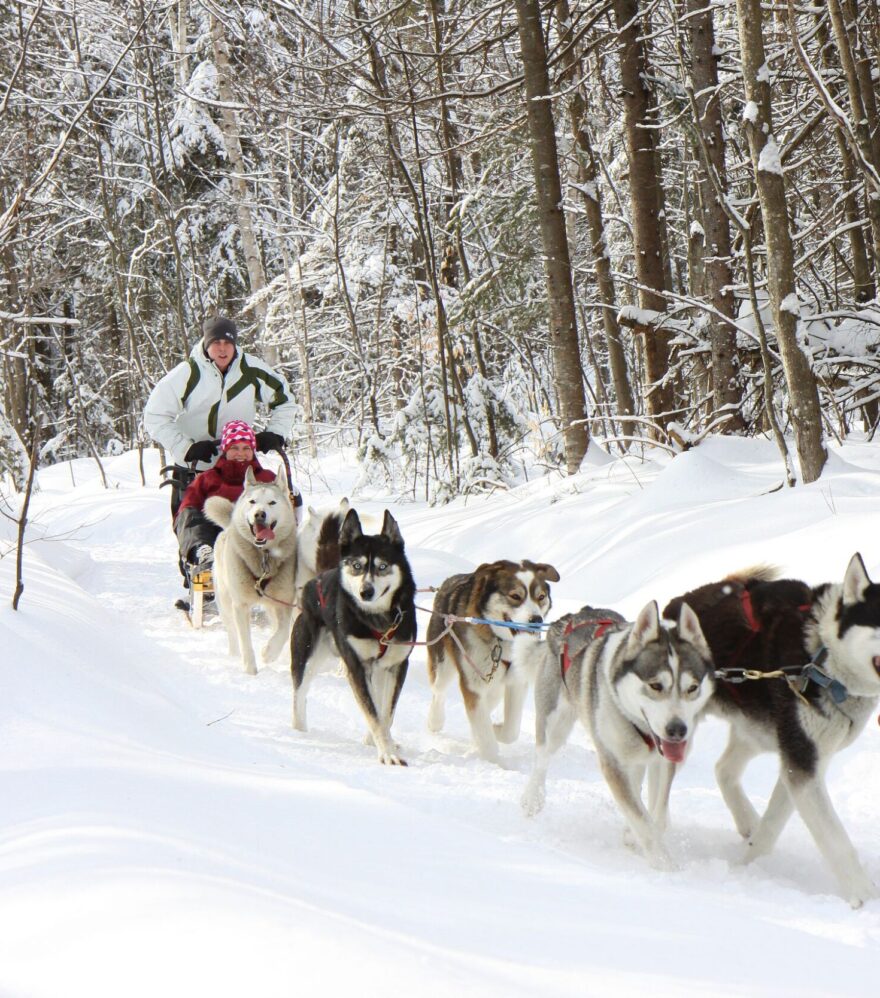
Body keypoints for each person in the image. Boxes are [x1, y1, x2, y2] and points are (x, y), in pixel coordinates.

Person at [144, 315, 296, 513]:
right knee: (192, 524)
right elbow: (155, 415)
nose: (222, 349)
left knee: (248, 527)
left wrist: (276, 433)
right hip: (194, 468)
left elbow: (285, 400)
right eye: (216, 342)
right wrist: (185, 448)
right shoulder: (188, 373)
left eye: (227, 342)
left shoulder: (251, 370)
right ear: (207, 344)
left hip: (239, 468)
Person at [174, 419, 277, 576]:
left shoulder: (267, 478)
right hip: (214, 537)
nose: (240, 453)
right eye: (234, 448)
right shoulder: (207, 478)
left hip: (256, 537)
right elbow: (187, 511)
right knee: (191, 513)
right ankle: (204, 554)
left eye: (246, 448)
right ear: (225, 450)